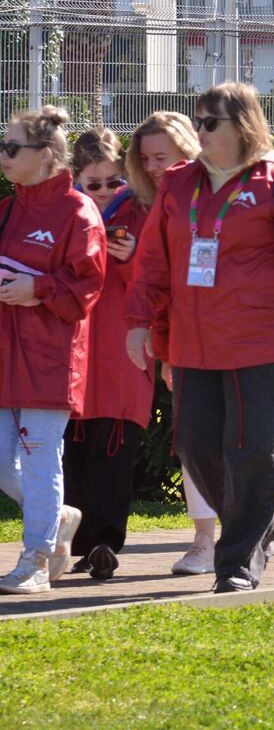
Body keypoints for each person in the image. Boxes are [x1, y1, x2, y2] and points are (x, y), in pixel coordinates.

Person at [125, 84, 274, 593]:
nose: (199, 132)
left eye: (210, 123)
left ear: (242, 125)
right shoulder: (180, 185)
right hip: (194, 343)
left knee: (250, 450)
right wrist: (139, 323)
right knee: (196, 446)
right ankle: (260, 519)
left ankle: (238, 561)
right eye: (197, 121)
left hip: (262, 343)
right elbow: (153, 263)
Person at [0, 107, 104, 595]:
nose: (3, 155)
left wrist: (36, 287)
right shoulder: (7, 209)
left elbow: (88, 286)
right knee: (4, 462)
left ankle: (37, 560)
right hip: (5, 355)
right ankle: (57, 515)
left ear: (43, 157)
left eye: (11, 147)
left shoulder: (78, 211)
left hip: (48, 358)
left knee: (41, 460)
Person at [124, 111, 220, 575]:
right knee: (192, 442)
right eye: (144, 159)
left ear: (190, 149)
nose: (154, 167)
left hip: (241, 336)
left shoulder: (230, 193)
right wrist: (163, 346)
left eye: (162, 156)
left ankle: (257, 517)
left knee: (244, 442)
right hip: (183, 340)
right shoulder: (142, 203)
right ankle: (204, 541)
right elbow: (156, 283)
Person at [63, 127, 149, 580]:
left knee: (113, 449)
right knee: (72, 452)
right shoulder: (67, 214)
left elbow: (158, 279)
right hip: (73, 350)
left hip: (121, 352)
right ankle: (79, 542)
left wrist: (133, 256)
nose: (102, 192)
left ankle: (106, 541)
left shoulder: (139, 214)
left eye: (113, 182)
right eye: (91, 184)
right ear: (75, 180)